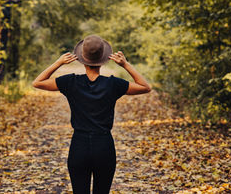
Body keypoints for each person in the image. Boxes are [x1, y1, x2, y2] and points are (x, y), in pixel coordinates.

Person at [32, 35, 151, 194]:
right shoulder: (113, 84)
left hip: (79, 146)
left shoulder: (70, 82)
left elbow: (37, 82)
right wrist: (125, 64)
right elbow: (145, 87)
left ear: (81, 59)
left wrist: (58, 62)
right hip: (104, 145)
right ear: (104, 59)